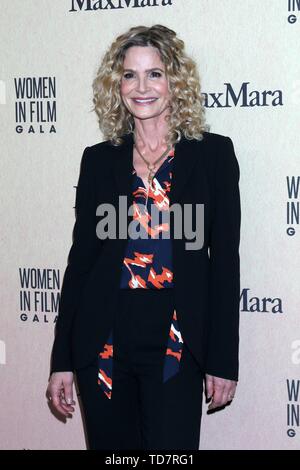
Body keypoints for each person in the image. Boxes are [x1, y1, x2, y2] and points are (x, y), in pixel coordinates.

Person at [46, 24, 241, 450]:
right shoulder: (99, 161)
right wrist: (61, 359)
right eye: (130, 75)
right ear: (117, 85)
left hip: (176, 341)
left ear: (176, 81)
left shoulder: (213, 156)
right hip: (103, 340)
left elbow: (225, 264)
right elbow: (80, 265)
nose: (142, 87)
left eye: (155, 73)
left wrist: (223, 360)